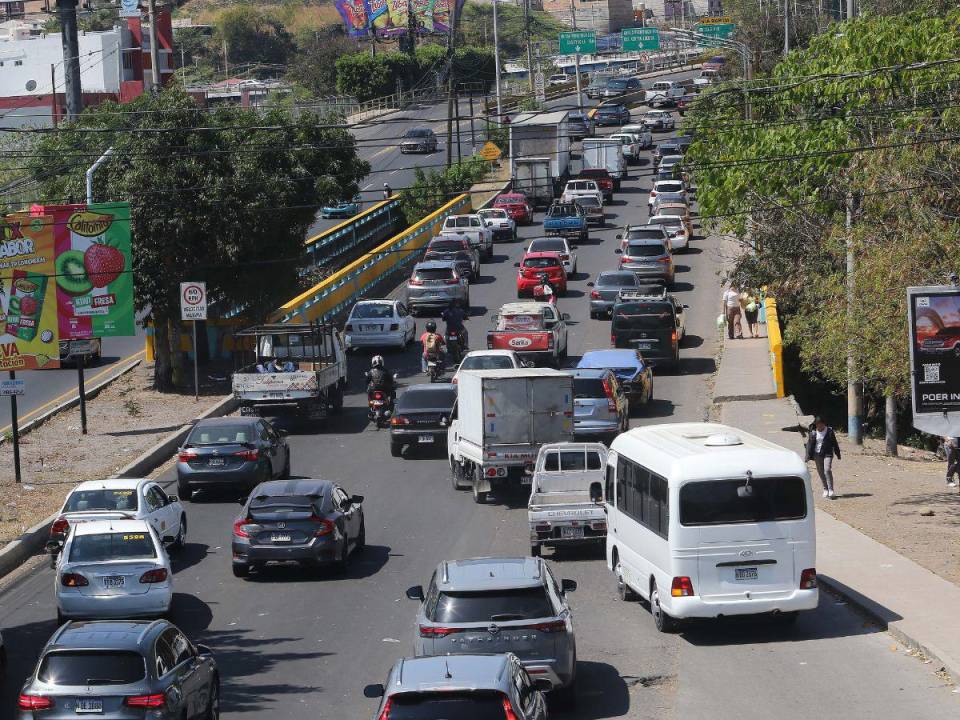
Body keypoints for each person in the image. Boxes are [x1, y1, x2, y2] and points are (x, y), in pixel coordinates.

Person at [806, 416, 841, 498]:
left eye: (821, 424)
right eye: (818, 424)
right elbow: (809, 445)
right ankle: (825, 489)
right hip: (817, 454)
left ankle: (831, 490)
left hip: (828, 453)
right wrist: (807, 456)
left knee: (827, 470)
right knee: (821, 472)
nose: (819, 426)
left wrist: (838, 453)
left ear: (824, 424)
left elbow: (835, 443)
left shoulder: (829, 431)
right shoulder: (813, 432)